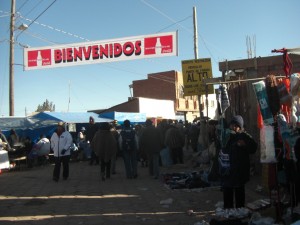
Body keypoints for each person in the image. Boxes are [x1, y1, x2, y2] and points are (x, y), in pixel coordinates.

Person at [221, 115, 257, 209]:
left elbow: (253, 148)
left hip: (239, 171)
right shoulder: (227, 136)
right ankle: (228, 212)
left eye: (235, 126)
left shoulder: (245, 136)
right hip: (228, 171)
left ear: (240, 127)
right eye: (232, 125)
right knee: (227, 191)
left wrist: (244, 144)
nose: (233, 127)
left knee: (239, 193)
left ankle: (239, 212)